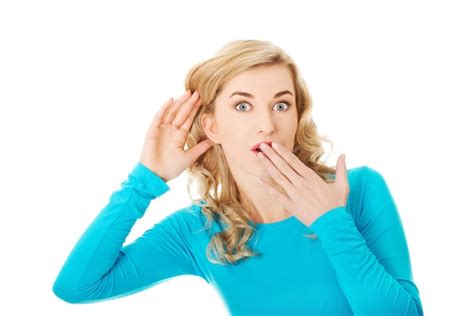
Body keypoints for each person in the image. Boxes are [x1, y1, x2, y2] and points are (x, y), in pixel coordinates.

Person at [52, 39, 424, 315]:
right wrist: (145, 180)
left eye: (282, 105)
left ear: (297, 116)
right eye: (243, 106)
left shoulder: (355, 190)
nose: (267, 125)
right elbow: (78, 286)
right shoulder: (196, 230)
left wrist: (332, 223)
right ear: (212, 125)